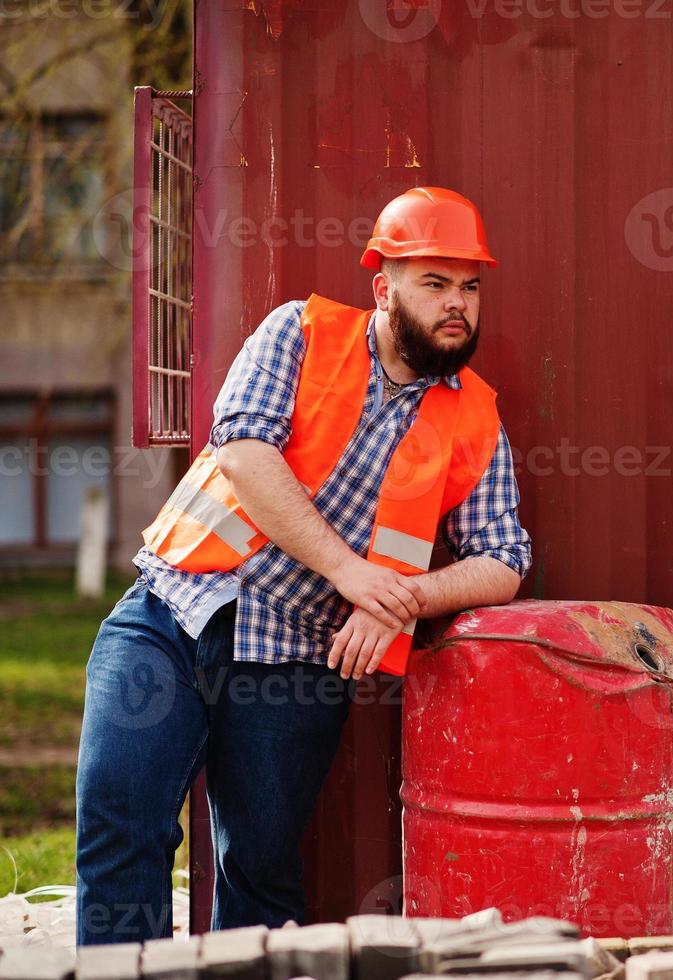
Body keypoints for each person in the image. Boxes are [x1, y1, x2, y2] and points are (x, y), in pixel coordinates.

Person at [74, 186, 530, 944]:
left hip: (295, 658)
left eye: (470, 287)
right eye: (436, 283)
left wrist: (404, 599)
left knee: (260, 869)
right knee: (120, 820)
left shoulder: (474, 416)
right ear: (384, 288)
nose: (459, 304)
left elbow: (504, 558)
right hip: (175, 609)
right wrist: (353, 574)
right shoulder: (300, 330)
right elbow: (245, 451)